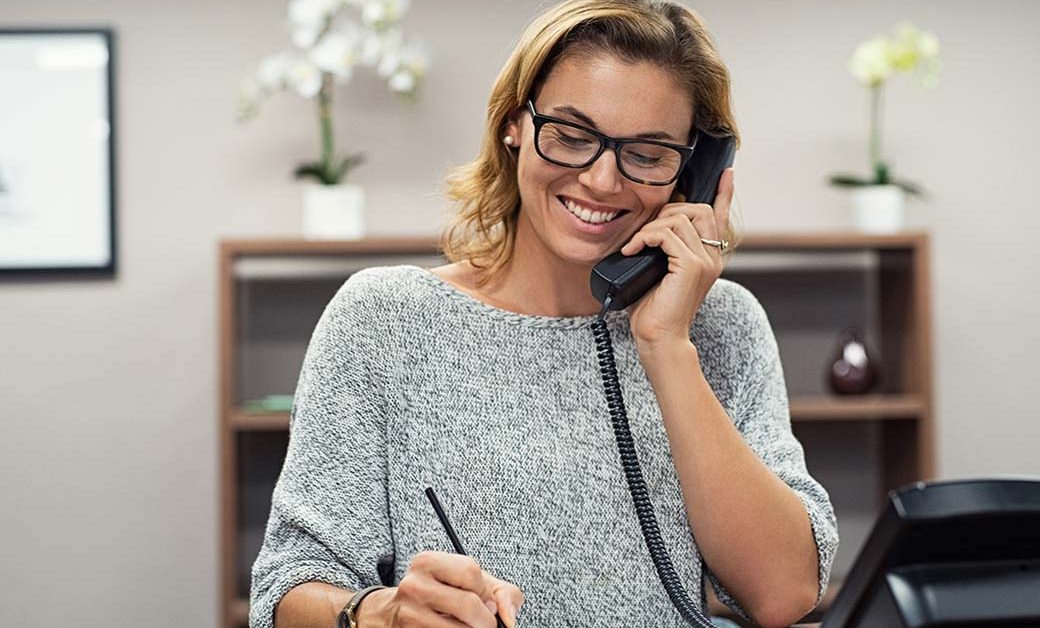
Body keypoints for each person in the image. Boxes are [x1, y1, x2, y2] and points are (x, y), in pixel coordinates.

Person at [249, 1, 838, 627]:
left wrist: (665, 344)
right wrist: (376, 615)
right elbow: (287, 591)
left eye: (647, 152)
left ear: (694, 168)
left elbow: (784, 595)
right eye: (572, 135)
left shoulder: (720, 325)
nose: (604, 180)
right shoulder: (383, 319)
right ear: (514, 124)